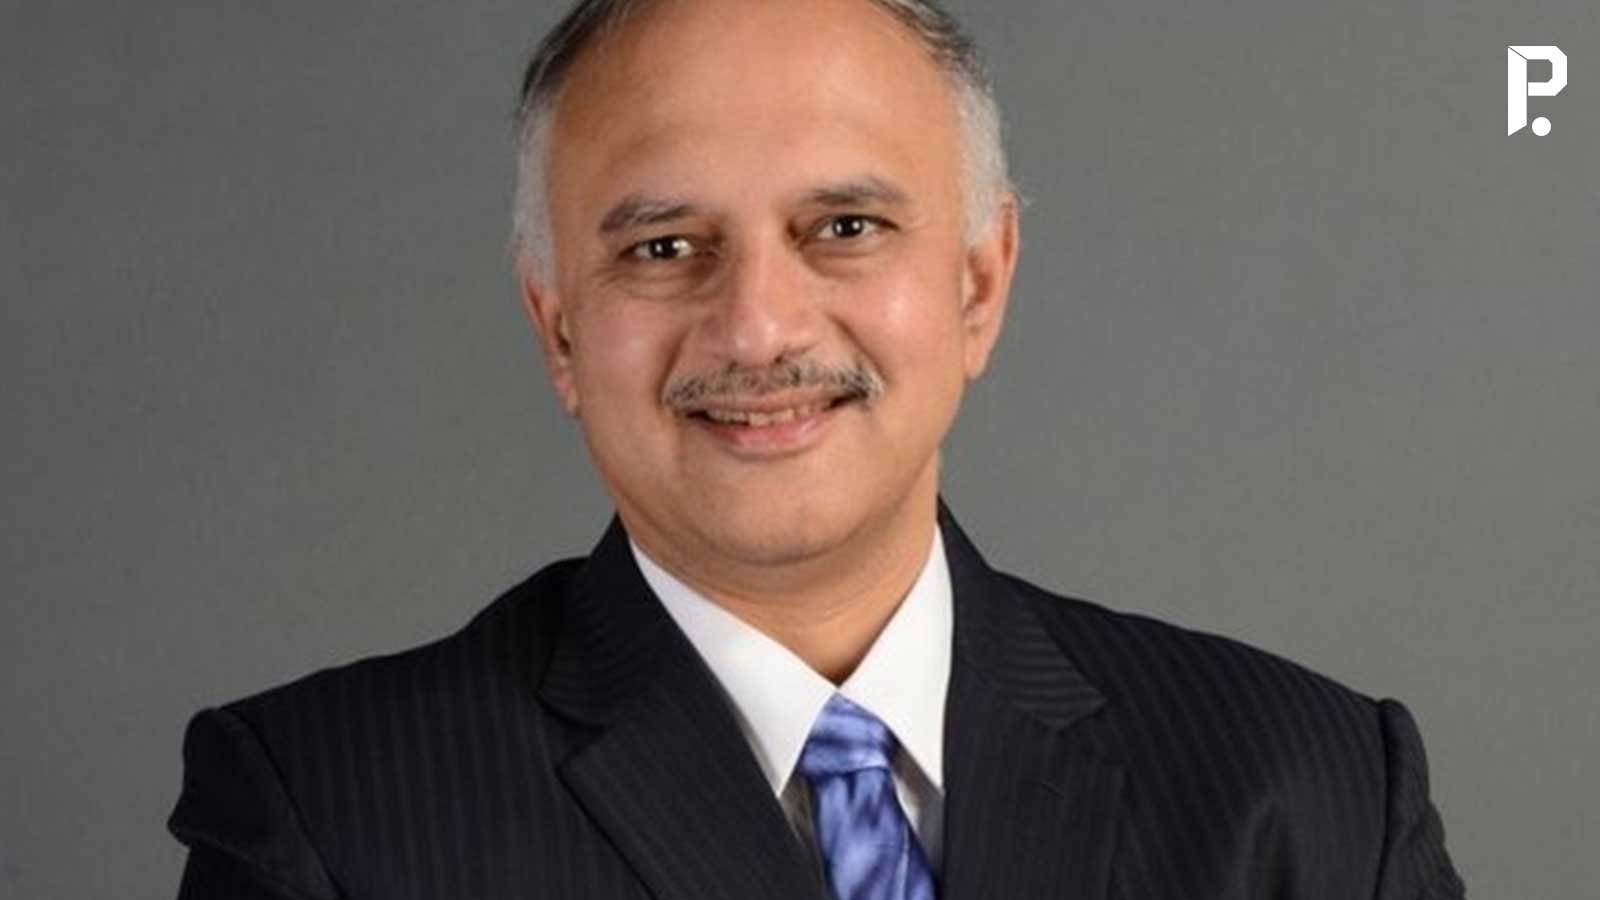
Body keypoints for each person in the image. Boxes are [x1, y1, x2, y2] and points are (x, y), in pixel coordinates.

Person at [167, 0, 1465, 897]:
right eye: (663, 247)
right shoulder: (332, 821)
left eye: (844, 227)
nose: (760, 326)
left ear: (980, 284)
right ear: (559, 329)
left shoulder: (1313, 793)